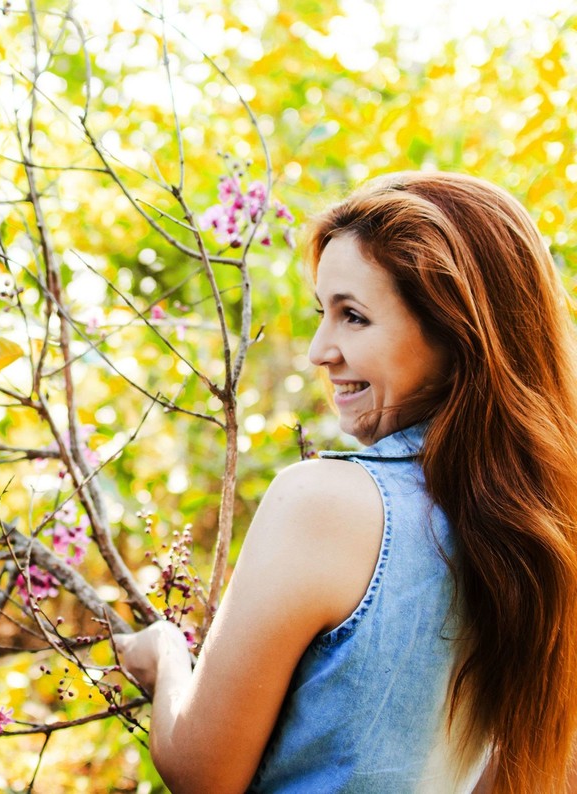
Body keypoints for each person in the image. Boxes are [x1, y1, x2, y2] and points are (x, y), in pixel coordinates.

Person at [116, 172, 577, 792]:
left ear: (455, 332)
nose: (318, 350)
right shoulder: (547, 526)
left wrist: (168, 656)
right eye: (322, 313)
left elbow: (204, 773)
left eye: (353, 317)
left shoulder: (324, 504)